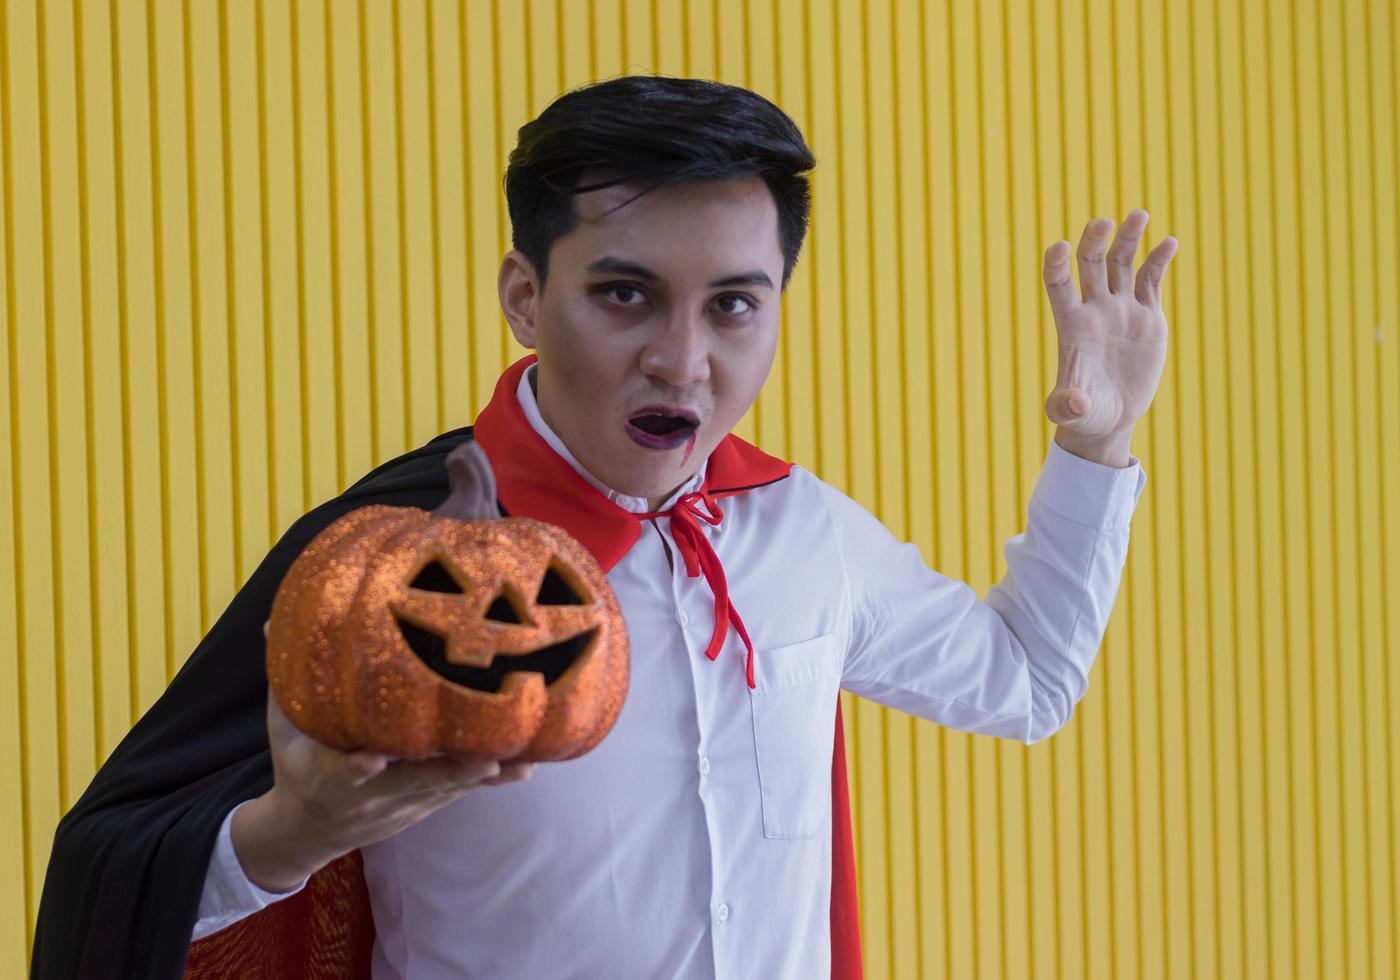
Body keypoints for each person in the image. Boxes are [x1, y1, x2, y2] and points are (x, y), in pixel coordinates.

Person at [32, 74, 1176, 979]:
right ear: (526, 295)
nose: (683, 359)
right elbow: (117, 871)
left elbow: (1025, 682)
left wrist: (1095, 448)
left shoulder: (803, 529)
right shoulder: (396, 558)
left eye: (733, 303)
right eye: (624, 293)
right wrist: (292, 829)